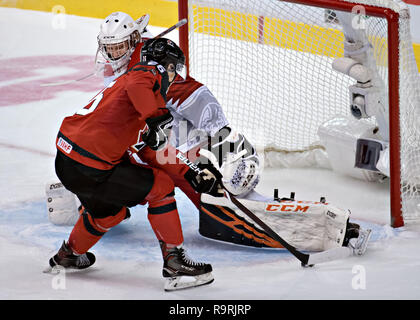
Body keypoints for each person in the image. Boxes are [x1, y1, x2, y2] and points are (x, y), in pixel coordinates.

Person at [47, 38, 219, 291]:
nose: (174, 77)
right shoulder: (146, 74)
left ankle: (68, 254)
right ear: (167, 66)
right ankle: (175, 266)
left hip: (68, 162)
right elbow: (139, 82)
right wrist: (156, 118)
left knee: (109, 213)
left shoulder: (134, 96)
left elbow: (151, 151)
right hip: (92, 163)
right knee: (160, 186)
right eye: (174, 69)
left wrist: (191, 172)